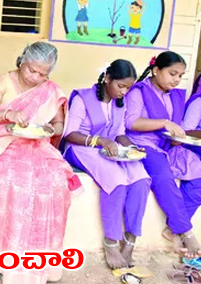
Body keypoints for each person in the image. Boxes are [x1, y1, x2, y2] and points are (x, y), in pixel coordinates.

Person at [0, 41, 81, 284]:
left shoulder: (50, 89)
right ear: (22, 61)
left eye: (43, 74)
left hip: (36, 146)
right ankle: (2, 259)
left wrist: (51, 128)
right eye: (32, 70)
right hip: (3, 145)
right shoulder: (4, 82)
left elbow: (59, 124)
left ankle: (43, 262)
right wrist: (6, 114)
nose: (37, 78)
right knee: (15, 184)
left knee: (55, 184)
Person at [62, 60, 150, 269]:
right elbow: (70, 134)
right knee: (116, 180)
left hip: (110, 149)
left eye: (128, 88)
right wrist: (99, 140)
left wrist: (133, 148)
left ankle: (129, 241)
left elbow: (120, 134)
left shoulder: (120, 103)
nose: (124, 92)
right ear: (108, 78)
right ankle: (111, 241)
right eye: (121, 86)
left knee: (141, 178)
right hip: (81, 148)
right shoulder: (84, 98)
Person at [124, 51, 201, 258]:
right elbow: (130, 122)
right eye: (172, 73)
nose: (176, 80)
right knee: (164, 177)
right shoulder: (138, 92)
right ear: (156, 70)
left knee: (198, 173)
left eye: (181, 75)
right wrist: (165, 123)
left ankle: (173, 228)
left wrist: (178, 137)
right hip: (142, 144)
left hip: (168, 146)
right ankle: (185, 230)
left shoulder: (175, 95)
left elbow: (177, 128)